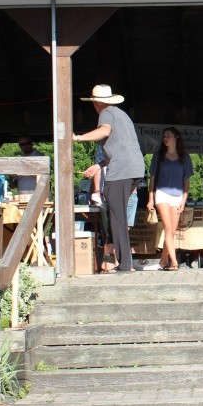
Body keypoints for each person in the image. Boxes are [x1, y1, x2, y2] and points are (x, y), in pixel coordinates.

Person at [74, 84, 145, 273]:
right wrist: (98, 165)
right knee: (119, 214)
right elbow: (120, 146)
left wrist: (78, 138)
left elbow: (104, 131)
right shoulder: (122, 115)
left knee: (117, 217)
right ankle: (124, 262)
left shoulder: (105, 113)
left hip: (121, 171)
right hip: (135, 168)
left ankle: (124, 264)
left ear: (96, 103)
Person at [148, 127, 193, 270]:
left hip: (178, 195)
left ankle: (162, 260)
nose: (165, 138)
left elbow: (187, 181)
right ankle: (174, 262)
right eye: (164, 136)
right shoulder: (158, 156)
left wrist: (184, 199)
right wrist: (150, 199)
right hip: (161, 194)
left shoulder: (185, 157)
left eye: (168, 135)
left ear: (176, 137)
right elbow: (152, 179)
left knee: (172, 231)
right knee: (168, 228)